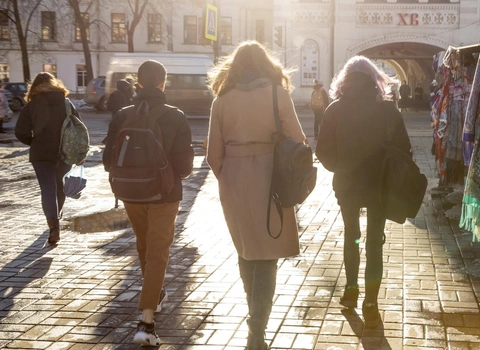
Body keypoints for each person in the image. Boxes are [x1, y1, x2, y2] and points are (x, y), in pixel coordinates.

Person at [206, 41, 306, 350]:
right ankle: (258, 328)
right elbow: (299, 140)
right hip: (271, 177)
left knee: (246, 248)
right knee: (268, 254)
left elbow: (213, 155)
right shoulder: (278, 93)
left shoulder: (221, 100)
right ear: (266, 64)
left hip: (233, 179)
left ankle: (255, 319)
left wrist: (231, 176)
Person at [315, 56, 411, 329]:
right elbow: (405, 150)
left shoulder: (334, 110)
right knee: (374, 242)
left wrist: (340, 167)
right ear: (374, 80)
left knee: (352, 236)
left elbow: (321, 150)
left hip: (347, 185)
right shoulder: (388, 111)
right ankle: (371, 302)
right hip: (379, 187)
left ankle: (350, 290)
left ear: (345, 80)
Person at [102, 60, 194, 346]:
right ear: (163, 83)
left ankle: (154, 295)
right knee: (158, 252)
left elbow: (107, 160)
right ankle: (146, 322)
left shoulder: (122, 114)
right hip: (164, 195)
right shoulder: (175, 116)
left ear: (138, 83)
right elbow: (185, 166)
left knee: (144, 245)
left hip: (130, 192)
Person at [14, 72, 78, 244]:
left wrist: (34, 142)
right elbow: (78, 128)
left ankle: (54, 227)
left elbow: (20, 131)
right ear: (55, 83)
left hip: (41, 154)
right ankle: (57, 215)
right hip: (65, 152)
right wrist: (77, 151)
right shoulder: (66, 103)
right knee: (60, 186)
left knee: (47, 189)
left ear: (34, 86)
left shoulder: (31, 106)